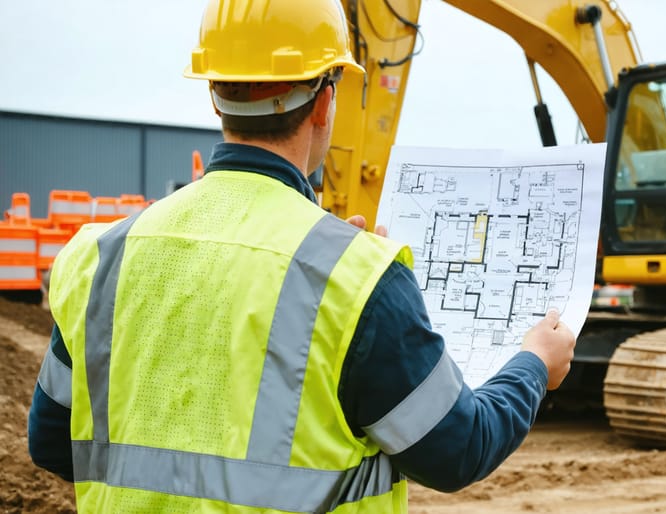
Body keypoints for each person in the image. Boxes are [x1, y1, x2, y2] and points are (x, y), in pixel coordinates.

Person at [27, 0, 576, 512]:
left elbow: (52, 443)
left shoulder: (101, 256)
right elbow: (460, 448)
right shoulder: (357, 280)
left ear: (215, 93)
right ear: (324, 101)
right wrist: (534, 363)